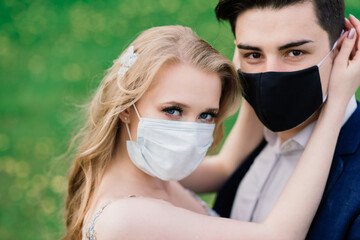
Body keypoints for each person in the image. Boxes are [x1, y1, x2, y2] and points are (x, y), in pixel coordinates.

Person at [62, 25, 360, 240]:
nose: (189, 130)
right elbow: (278, 236)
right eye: (173, 110)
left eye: (206, 115)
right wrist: (337, 102)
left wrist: (254, 61)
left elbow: (226, 166)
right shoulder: (125, 218)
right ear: (126, 107)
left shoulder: (148, 169)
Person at [182, 1, 360, 239]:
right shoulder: (252, 141)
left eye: (295, 52)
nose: (271, 73)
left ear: (341, 48)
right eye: (254, 54)